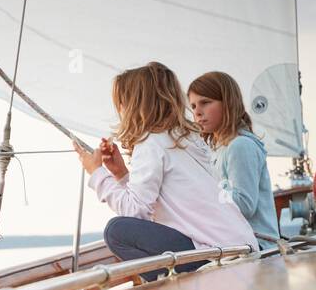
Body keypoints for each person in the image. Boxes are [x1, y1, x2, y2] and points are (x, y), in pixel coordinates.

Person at [73, 62, 256, 274]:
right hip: (240, 245)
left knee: (116, 231)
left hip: (217, 255)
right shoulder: (186, 138)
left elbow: (136, 212)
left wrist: (97, 173)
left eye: (121, 103)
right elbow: (155, 201)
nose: (120, 111)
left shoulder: (150, 143)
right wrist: (121, 174)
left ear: (133, 105)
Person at [186, 71, 279, 252]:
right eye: (193, 106)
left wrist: (203, 192)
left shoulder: (240, 146)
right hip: (235, 241)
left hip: (258, 246)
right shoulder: (218, 150)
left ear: (227, 103)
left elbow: (244, 206)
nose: (197, 111)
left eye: (205, 102)